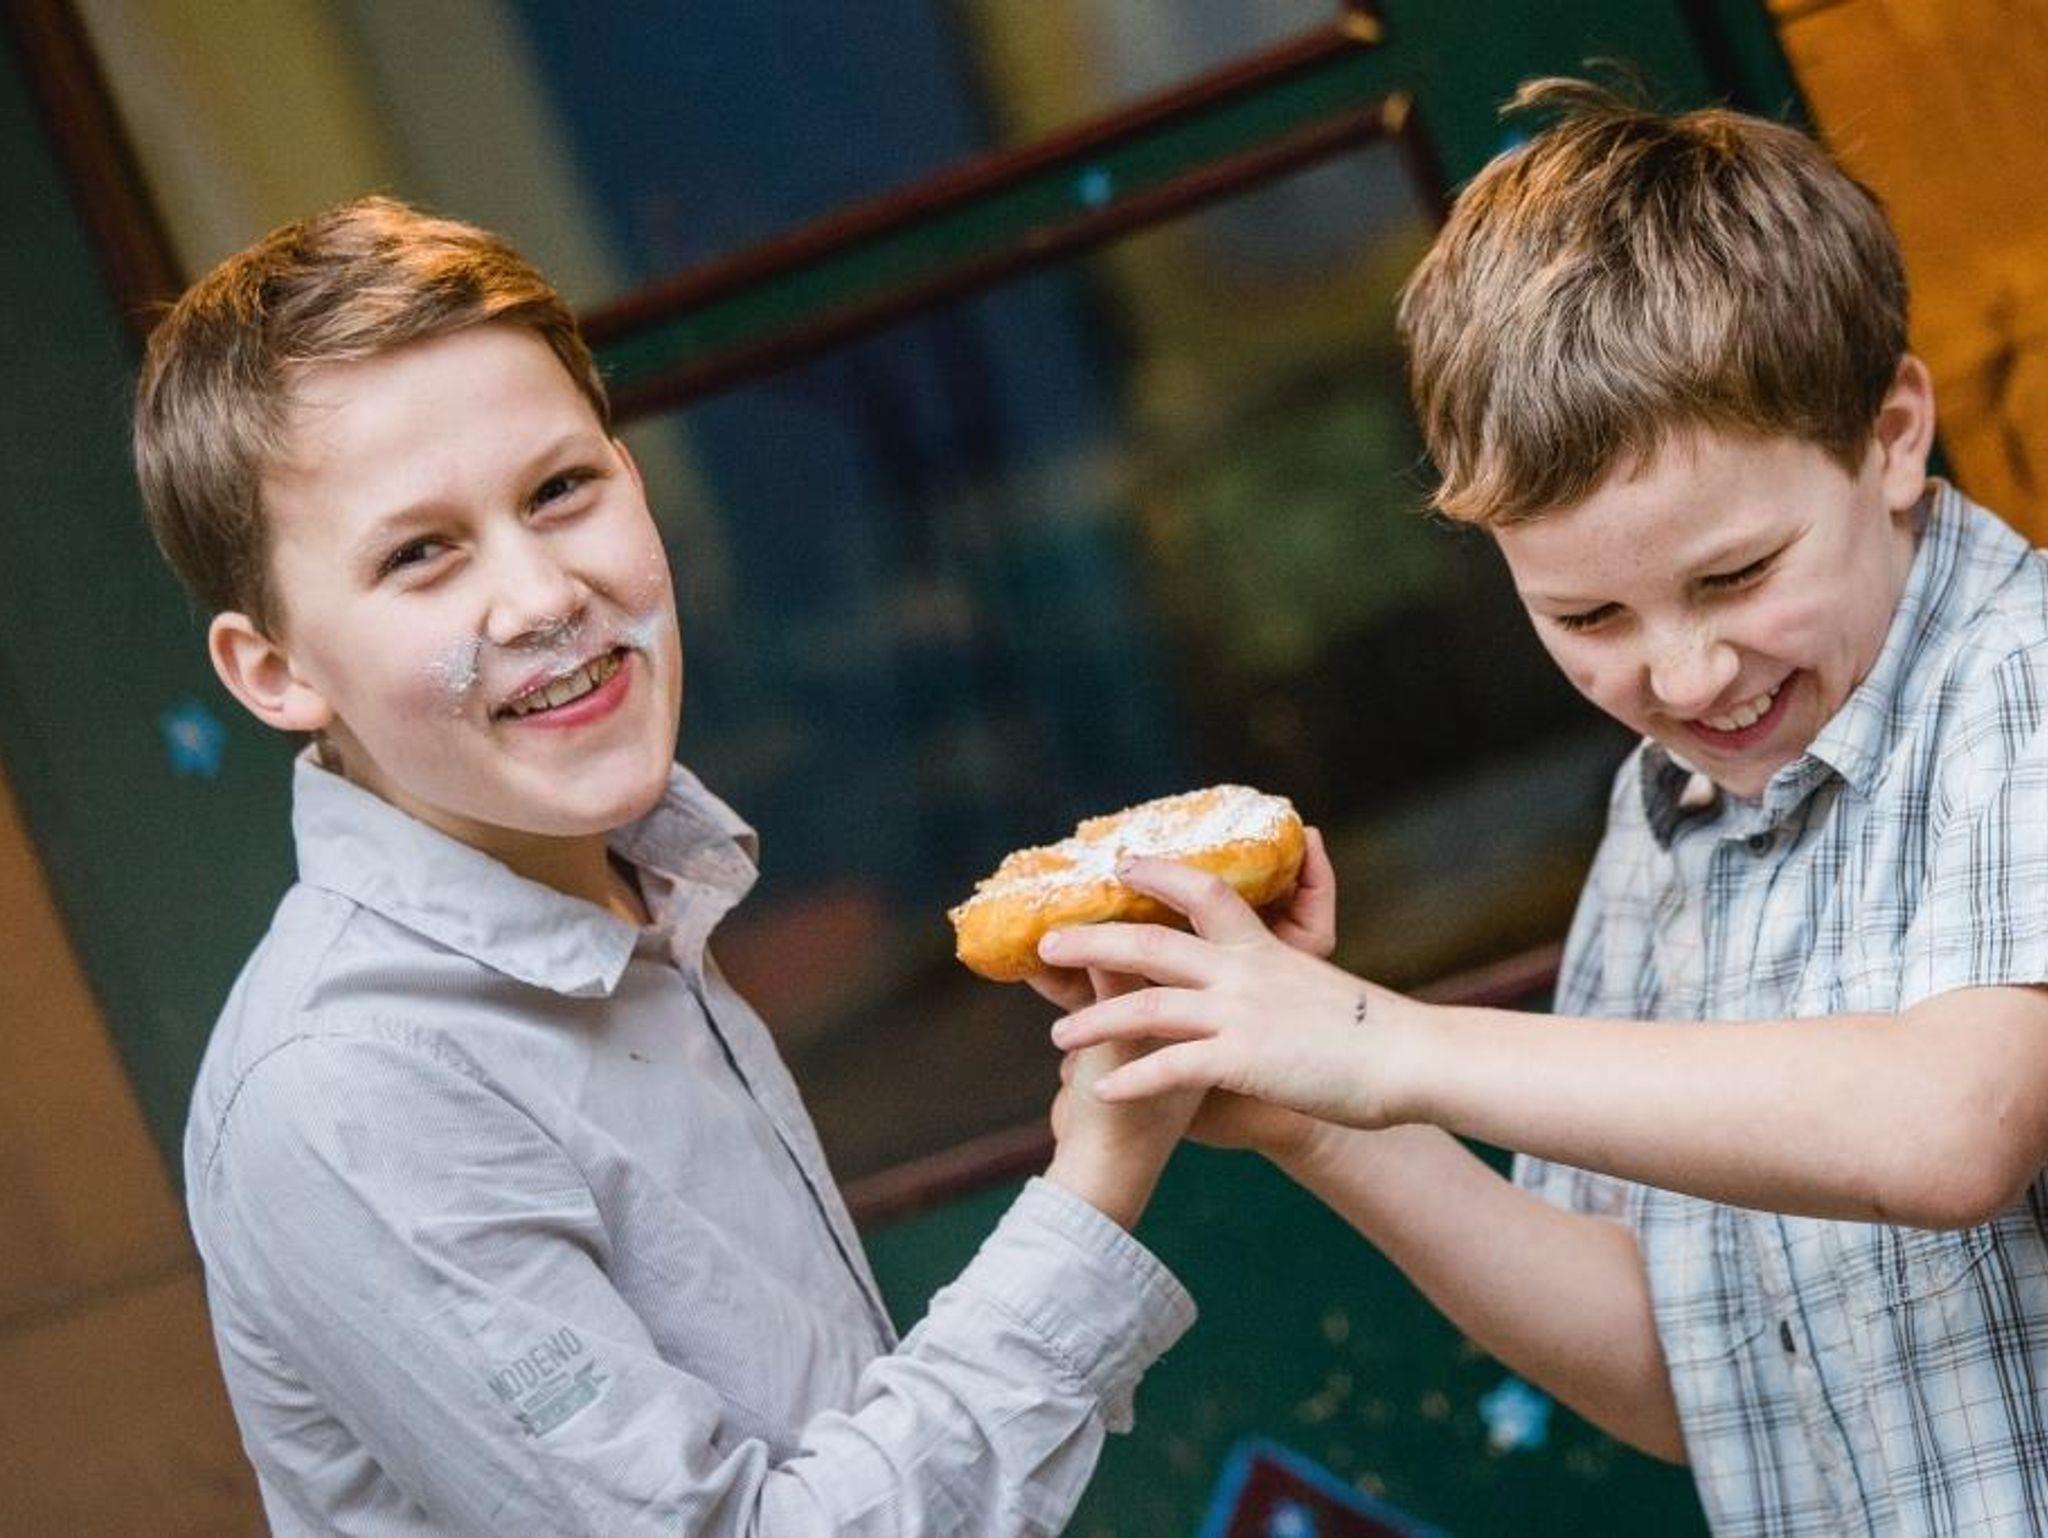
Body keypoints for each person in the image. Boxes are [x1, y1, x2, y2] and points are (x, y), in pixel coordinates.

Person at [1035, 80, 2048, 1535]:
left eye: (1737, 576)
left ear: (1891, 434)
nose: (1683, 675)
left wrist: (1382, 1039)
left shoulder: (2021, 680)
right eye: (1588, 616)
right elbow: (1685, 1379)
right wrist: (1319, 1108)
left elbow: (1953, 1125)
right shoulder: (1670, 817)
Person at [136, 196, 1229, 1535]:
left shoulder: (624, 891)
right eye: (421, 555)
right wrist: (1101, 1165)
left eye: (560, 490)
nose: (544, 595)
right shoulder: (354, 1089)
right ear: (275, 672)